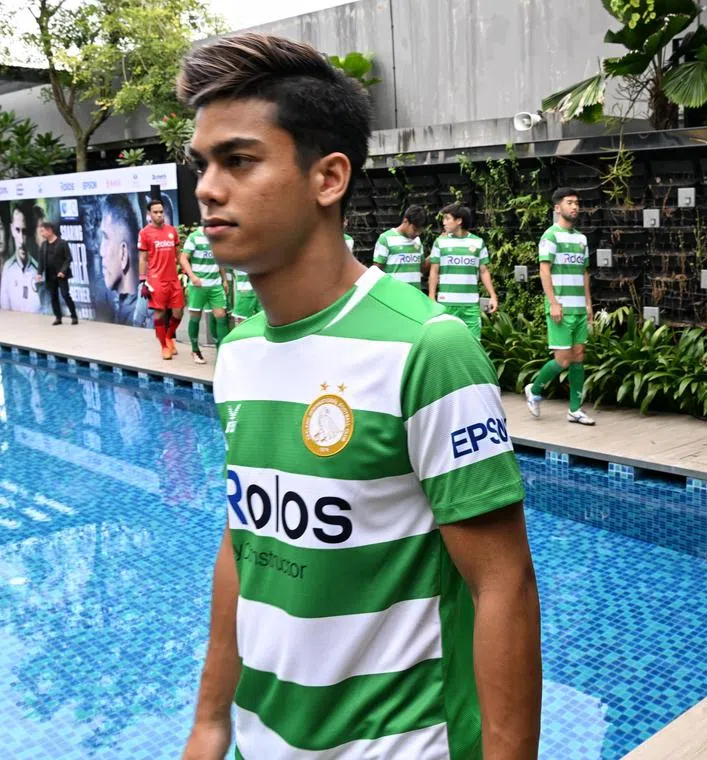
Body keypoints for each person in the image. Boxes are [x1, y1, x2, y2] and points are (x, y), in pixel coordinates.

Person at [177, 32, 541, 760]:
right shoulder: (240, 351)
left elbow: (504, 586)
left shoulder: (426, 349)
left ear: (328, 177)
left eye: (239, 160)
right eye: (204, 164)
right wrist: (211, 724)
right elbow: (243, 543)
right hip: (262, 740)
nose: (208, 188)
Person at [525, 188, 596, 426]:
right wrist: (553, 303)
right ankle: (534, 390)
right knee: (563, 358)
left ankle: (575, 410)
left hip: (578, 307)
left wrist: (588, 304)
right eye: (569, 203)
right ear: (557, 208)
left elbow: (585, 273)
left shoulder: (581, 239)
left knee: (578, 357)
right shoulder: (550, 236)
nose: (575, 207)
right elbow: (544, 270)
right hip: (560, 308)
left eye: (577, 203)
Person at [427, 203, 499, 338]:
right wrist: (431, 296)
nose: (444, 222)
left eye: (447, 219)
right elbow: (434, 270)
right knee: (447, 342)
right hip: (446, 304)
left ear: (459, 221)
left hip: (470, 304)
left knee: (474, 343)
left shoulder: (478, 242)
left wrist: (493, 296)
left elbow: (483, 271)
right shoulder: (440, 242)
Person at [137, 198, 183, 359]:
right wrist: (143, 280)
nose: (159, 215)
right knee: (159, 314)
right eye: (155, 212)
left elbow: (179, 255)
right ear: (149, 214)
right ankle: (164, 346)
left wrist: (187, 272)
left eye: (161, 212)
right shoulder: (144, 233)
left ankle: (169, 336)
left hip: (173, 279)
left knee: (178, 313)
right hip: (156, 280)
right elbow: (142, 258)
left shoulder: (172, 231)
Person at [179, 226, 229, 364]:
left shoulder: (217, 236)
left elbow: (220, 260)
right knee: (195, 317)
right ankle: (195, 350)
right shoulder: (194, 236)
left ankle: (222, 351)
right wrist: (192, 277)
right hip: (198, 286)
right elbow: (183, 258)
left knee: (221, 316)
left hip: (215, 285)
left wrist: (224, 279)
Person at [98, 196, 149, 327]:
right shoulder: (123, 310)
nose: (101, 252)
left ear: (123, 253)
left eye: (106, 238)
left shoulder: (136, 317)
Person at [0, 206, 43, 313]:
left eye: (25, 231)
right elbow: (5, 309)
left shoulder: (38, 270)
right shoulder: (8, 270)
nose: (21, 239)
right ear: (12, 230)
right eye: (17, 230)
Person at [373, 205, 427, 288]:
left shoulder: (417, 241)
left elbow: (422, 268)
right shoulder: (385, 238)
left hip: (414, 295)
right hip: (394, 294)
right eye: (415, 230)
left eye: (420, 231)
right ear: (406, 221)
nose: (417, 234)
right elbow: (377, 270)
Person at [39, 221, 78, 325]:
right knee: (53, 296)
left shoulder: (62, 243)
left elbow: (68, 259)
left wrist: (63, 271)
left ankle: (74, 316)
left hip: (61, 275)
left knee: (65, 295)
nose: (41, 234)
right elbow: (41, 261)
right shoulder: (43, 245)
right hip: (50, 275)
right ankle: (58, 317)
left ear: (50, 230)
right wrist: (39, 273)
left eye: (43, 231)